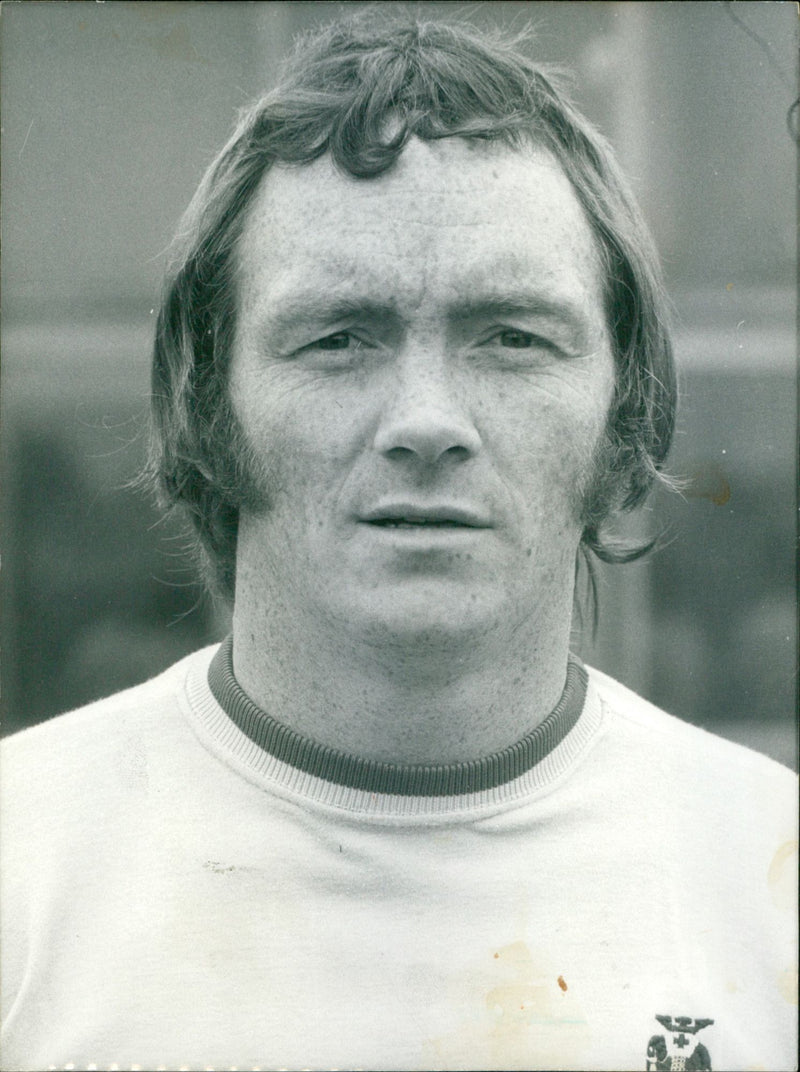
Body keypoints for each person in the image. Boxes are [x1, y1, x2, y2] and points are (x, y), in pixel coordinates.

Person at [1, 15, 796, 1072]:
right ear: (207, 406)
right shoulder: (21, 867)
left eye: (511, 337)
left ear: (625, 414)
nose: (427, 420)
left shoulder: (771, 883)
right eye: (338, 337)